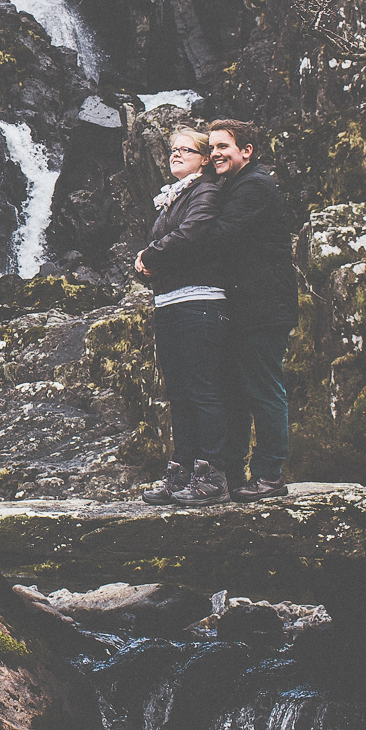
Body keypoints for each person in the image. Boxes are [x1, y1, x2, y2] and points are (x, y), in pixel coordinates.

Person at [202, 119, 301, 502]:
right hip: (248, 306)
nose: (215, 154)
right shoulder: (237, 184)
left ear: (247, 150)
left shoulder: (254, 185)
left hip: (264, 306)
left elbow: (219, 235)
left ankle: (269, 474)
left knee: (263, 389)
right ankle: (236, 472)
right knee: (239, 391)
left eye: (223, 146)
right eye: (211, 148)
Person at [132, 128, 230, 507]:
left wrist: (151, 256)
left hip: (200, 301)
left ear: (204, 158)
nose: (175, 155)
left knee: (203, 389)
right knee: (179, 392)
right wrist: (145, 267)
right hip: (170, 302)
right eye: (172, 150)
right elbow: (161, 247)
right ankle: (181, 472)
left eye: (184, 150)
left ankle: (212, 476)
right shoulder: (175, 197)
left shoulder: (205, 191)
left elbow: (192, 233)